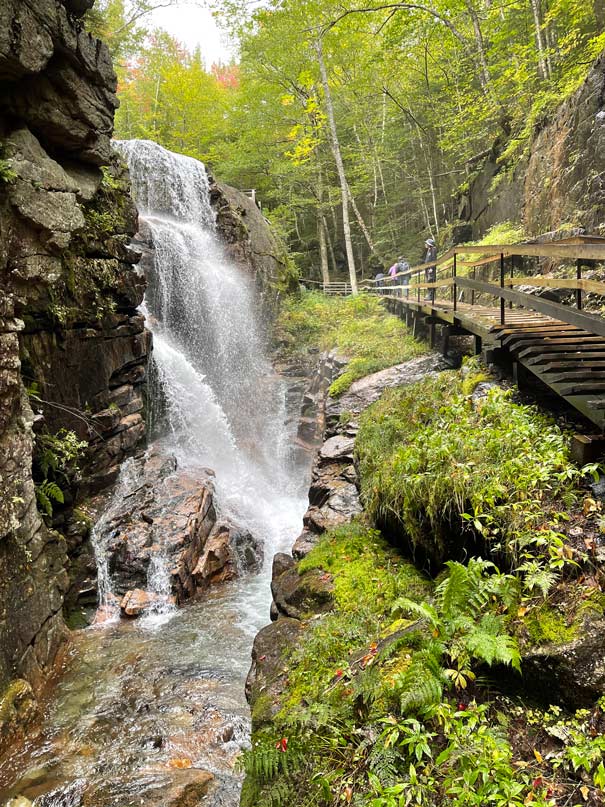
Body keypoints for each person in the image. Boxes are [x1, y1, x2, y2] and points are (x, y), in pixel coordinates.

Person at [424, 238, 437, 302]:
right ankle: (429, 295)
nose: (425, 244)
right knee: (428, 281)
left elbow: (434, 259)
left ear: (429, 244)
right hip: (427, 269)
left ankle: (431, 296)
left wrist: (432, 268)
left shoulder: (433, 250)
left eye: (426, 243)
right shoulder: (429, 250)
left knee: (430, 281)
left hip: (431, 269)